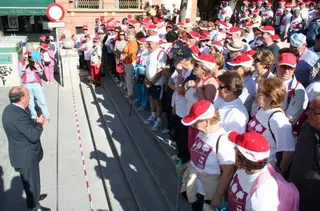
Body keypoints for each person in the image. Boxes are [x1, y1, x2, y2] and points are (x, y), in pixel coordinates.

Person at [180, 100, 235, 211]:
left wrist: (218, 195)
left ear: (207, 121)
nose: (193, 124)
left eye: (196, 121)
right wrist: (189, 164)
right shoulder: (201, 132)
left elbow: (228, 172)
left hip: (209, 194)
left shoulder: (223, 141)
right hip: (196, 188)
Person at [2, 86, 50, 211]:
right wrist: (39, 123)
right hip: (26, 156)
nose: (30, 98)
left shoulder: (9, 110)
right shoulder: (19, 115)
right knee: (31, 182)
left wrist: (33, 122)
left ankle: (34, 197)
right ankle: (34, 206)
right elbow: (33, 136)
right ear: (22, 98)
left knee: (31, 181)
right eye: (28, 96)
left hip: (19, 153)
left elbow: (22, 128)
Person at [248, 77, 295, 171]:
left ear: (270, 98)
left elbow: (289, 152)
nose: (256, 95)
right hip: (250, 164)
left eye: (259, 93)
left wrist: (280, 170)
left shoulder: (278, 120)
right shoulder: (260, 109)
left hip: (265, 170)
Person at [227, 131, 279, 210]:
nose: (234, 149)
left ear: (243, 157)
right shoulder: (243, 169)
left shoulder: (264, 189)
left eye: (237, 149)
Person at [288, 94, 320, 211]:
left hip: (313, 201)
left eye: (312, 111)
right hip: (294, 190)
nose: (307, 113)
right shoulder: (307, 125)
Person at [144, 35, 167, 131]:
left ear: (156, 43)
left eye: (150, 43)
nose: (148, 44)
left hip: (157, 83)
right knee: (151, 100)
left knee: (158, 102)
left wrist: (152, 82)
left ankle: (158, 121)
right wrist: (146, 79)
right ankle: (153, 116)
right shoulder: (150, 53)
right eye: (148, 42)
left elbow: (161, 71)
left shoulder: (161, 53)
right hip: (149, 82)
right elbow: (147, 68)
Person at [18, 52, 50, 121]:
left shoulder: (34, 62)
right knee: (30, 102)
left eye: (29, 57)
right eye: (26, 57)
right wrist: (25, 66)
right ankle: (34, 116)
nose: (28, 59)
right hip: (27, 84)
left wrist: (36, 66)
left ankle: (46, 115)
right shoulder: (21, 63)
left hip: (36, 84)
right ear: (24, 57)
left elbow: (41, 73)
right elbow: (20, 75)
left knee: (41, 100)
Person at [121, 30, 138, 98]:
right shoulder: (129, 42)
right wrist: (122, 55)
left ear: (133, 35)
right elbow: (124, 51)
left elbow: (131, 54)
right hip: (126, 62)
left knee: (129, 79)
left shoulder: (133, 43)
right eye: (127, 34)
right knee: (127, 78)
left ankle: (130, 93)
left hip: (130, 62)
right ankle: (129, 91)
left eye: (129, 35)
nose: (127, 36)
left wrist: (123, 57)